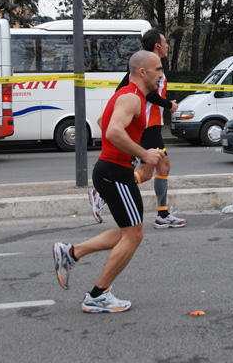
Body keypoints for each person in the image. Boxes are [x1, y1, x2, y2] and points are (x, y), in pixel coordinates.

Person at [53, 50, 165, 313]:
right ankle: (97, 295)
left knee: (129, 232)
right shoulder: (132, 98)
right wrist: (143, 153)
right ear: (142, 72)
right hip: (114, 172)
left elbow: (105, 122)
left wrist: (130, 150)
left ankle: (72, 253)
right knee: (134, 235)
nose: (161, 74)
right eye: (158, 69)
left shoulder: (125, 95)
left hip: (114, 170)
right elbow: (113, 130)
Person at [89, 28, 187, 229]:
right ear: (157, 46)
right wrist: (169, 105)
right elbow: (131, 94)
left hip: (151, 125)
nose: (168, 45)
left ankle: (107, 192)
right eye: (165, 42)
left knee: (147, 172)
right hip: (147, 126)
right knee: (163, 166)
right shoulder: (145, 69)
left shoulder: (152, 67)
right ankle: (161, 214)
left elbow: (123, 93)